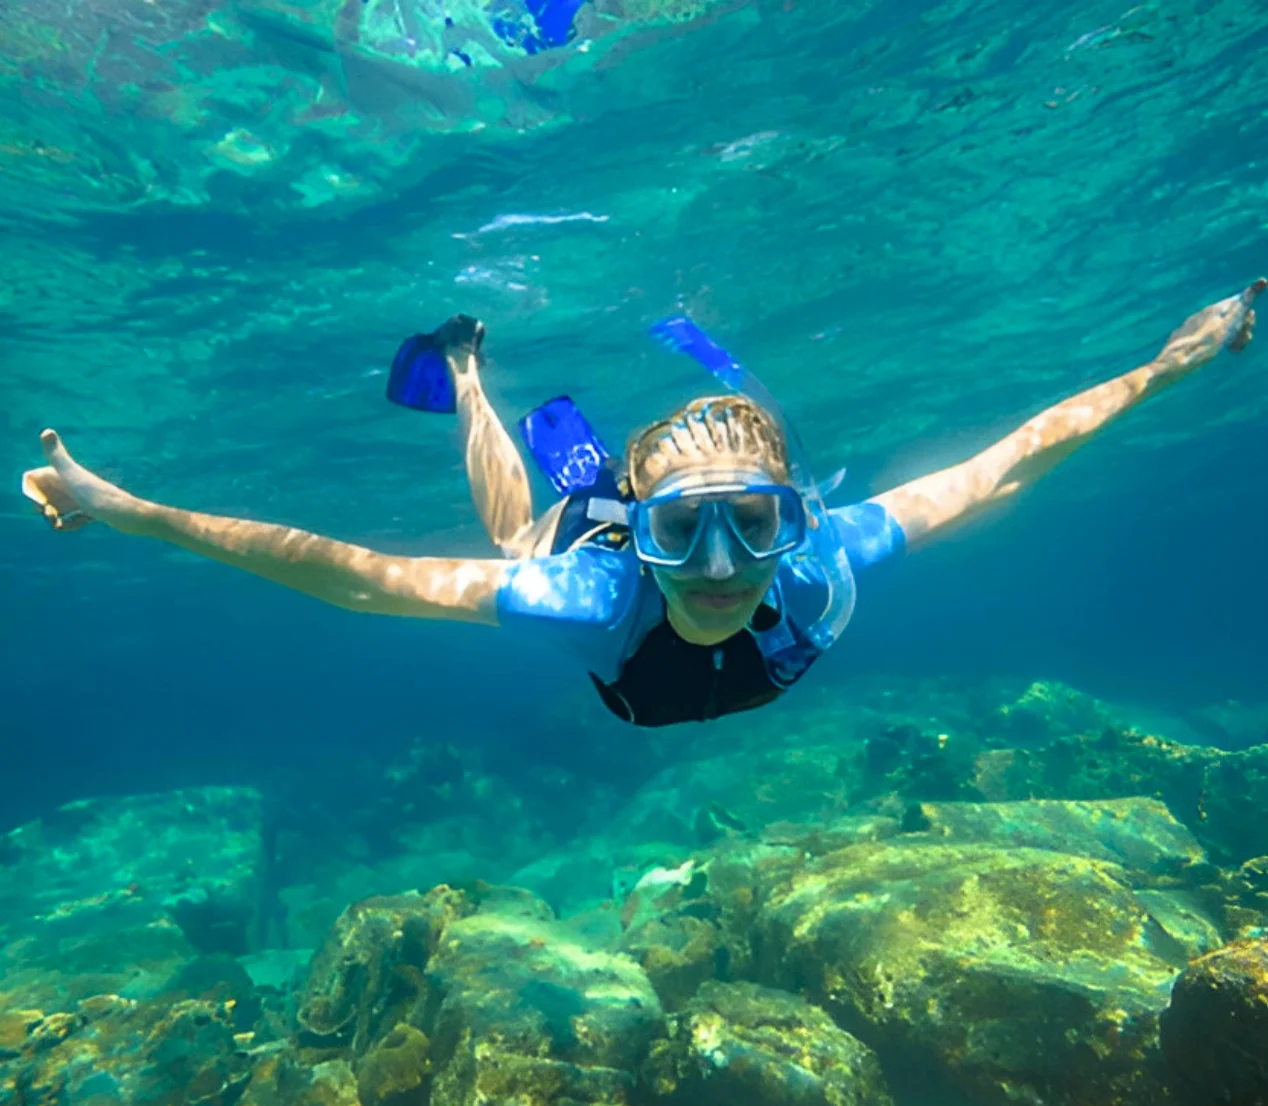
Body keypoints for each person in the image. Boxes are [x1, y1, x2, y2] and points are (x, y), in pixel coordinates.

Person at [23, 280, 1263, 727]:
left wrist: (1167, 366)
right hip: (585, 528)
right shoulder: (590, 595)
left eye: (754, 525)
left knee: (573, 522)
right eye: (685, 530)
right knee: (520, 530)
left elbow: (1002, 462)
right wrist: (127, 507)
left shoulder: (821, 558)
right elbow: (348, 569)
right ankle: (464, 368)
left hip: (633, 525)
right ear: (647, 535)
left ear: (794, 519)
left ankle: (542, 418)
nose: (723, 565)